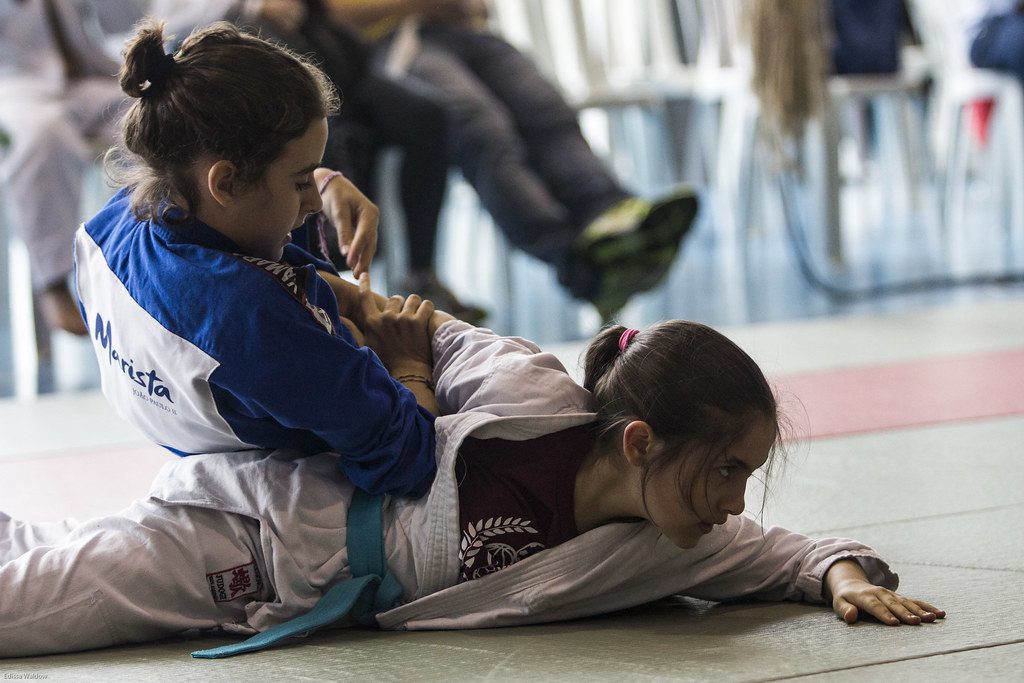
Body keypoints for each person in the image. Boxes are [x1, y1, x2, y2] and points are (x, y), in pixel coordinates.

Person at [0, 278, 945, 658]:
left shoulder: (671, 544)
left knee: (59, 556)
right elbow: (418, 326)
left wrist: (843, 574)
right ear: (641, 440)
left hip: (312, 588)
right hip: (256, 529)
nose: (735, 502)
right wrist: (327, 291)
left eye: (749, 476)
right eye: (726, 470)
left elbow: (783, 552)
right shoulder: (528, 394)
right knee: (30, 607)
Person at [74, 21, 437, 498]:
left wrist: (321, 180)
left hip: (181, 424)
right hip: (272, 478)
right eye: (299, 180)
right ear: (224, 183)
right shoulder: (252, 318)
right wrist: (408, 363)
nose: (312, 204)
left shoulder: (111, 221)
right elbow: (409, 462)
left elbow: (240, 250)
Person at [323, 0, 700, 320]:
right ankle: (576, 260)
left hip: (465, 34)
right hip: (387, 43)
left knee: (546, 110)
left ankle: (608, 214)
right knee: (481, 128)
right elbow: (324, 12)